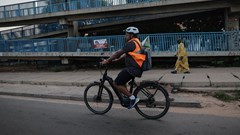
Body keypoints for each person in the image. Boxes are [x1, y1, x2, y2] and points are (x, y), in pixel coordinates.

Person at [101, 26, 145, 109]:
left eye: (126, 34)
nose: (125, 35)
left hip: (132, 69)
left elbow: (118, 53)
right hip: (136, 68)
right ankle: (128, 97)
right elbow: (126, 55)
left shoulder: (131, 43)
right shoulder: (137, 42)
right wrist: (115, 61)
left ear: (131, 35)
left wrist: (107, 60)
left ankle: (132, 98)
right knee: (122, 80)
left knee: (116, 83)